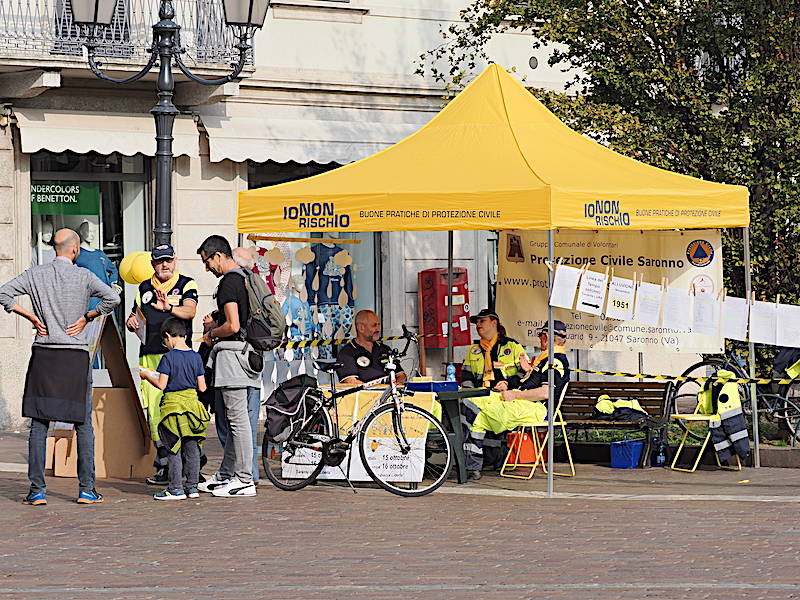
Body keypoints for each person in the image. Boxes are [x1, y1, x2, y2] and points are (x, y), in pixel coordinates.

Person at [0, 229, 120, 505]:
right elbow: (112, 299)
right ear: (75, 249)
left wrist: (29, 315)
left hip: (45, 353)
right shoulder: (83, 276)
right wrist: (88, 316)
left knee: (39, 424)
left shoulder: (36, 274)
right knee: (82, 423)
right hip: (74, 356)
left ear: (55, 248)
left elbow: (3, 293)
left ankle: (37, 490)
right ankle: (87, 489)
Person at [460, 321, 570, 481]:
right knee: (471, 400)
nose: (539, 339)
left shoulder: (555, 361)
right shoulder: (544, 358)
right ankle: (470, 459)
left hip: (536, 408)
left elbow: (545, 392)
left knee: (482, 415)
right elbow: (528, 383)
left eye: (540, 335)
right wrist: (508, 384)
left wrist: (514, 395)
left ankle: (471, 462)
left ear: (546, 337)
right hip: (521, 401)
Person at [125, 244, 198, 485]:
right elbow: (137, 314)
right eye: (159, 261)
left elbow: (190, 312)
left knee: (181, 408)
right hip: (150, 355)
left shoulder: (186, 283)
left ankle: (191, 463)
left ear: (175, 260)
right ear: (153, 264)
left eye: (168, 260)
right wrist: (131, 321)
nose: (164, 265)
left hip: (177, 357)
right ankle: (165, 463)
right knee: (155, 413)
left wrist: (168, 307)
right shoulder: (144, 287)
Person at [196, 236, 260, 498]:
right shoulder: (245, 277)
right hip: (249, 354)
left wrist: (211, 334)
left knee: (237, 419)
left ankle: (244, 479)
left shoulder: (229, 282)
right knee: (237, 418)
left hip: (234, 356)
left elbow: (233, 325)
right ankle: (227, 474)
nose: (207, 268)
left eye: (207, 261)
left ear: (218, 256)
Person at [139, 318, 210, 501]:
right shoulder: (195, 357)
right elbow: (202, 387)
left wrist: (147, 375)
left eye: (165, 341)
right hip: (193, 408)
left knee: (173, 449)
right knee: (192, 449)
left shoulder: (168, 358)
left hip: (172, 410)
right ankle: (192, 487)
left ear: (169, 337)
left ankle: (176, 488)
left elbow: (162, 385)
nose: (166, 345)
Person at [461, 309, 529, 391]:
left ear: (494, 323)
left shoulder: (512, 345)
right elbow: (466, 374)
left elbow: (526, 371)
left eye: (482, 321)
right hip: (480, 396)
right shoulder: (473, 349)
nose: (478, 324)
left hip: (508, 395)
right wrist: (470, 392)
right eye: (476, 322)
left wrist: (508, 383)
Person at [336, 310, 406, 385]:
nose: (378, 329)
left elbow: (401, 375)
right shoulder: (347, 353)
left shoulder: (385, 349)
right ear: (361, 328)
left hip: (390, 394)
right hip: (366, 395)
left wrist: (398, 384)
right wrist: (376, 391)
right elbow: (351, 382)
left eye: (379, 325)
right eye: (374, 325)